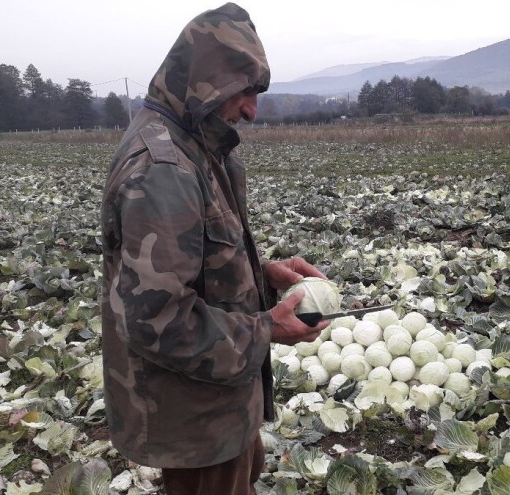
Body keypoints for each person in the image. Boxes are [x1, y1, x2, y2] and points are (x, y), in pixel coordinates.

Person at [99, 4, 328, 494]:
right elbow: (158, 319)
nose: (251, 109)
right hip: (192, 412)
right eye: (244, 90)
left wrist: (262, 275)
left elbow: (194, 262)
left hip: (218, 400)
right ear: (208, 79)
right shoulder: (164, 167)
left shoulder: (196, 146)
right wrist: (268, 329)